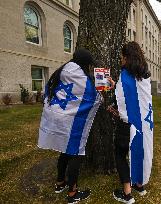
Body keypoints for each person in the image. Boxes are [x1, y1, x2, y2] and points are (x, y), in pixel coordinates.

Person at [38, 48, 105, 204]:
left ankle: (60, 183)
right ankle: (72, 193)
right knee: (76, 152)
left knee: (64, 150)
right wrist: (105, 88)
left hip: (56, 117)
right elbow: (95, 99)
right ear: (85, 64)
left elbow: (47, 91)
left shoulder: (61, 71)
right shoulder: (81, 77)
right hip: (70, 121)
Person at [108, 42, 153, 204]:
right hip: (144, 123)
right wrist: (116, 86)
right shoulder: (145, 74)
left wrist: (116, 110)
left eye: (122, 57)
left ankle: (127, 194)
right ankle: (139, 185)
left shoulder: (125, 75)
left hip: (127, 124)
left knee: (120, 154)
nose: (121, 60)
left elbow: (123, 100)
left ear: (126, 58)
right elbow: (137, 98)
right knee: (140, 151)